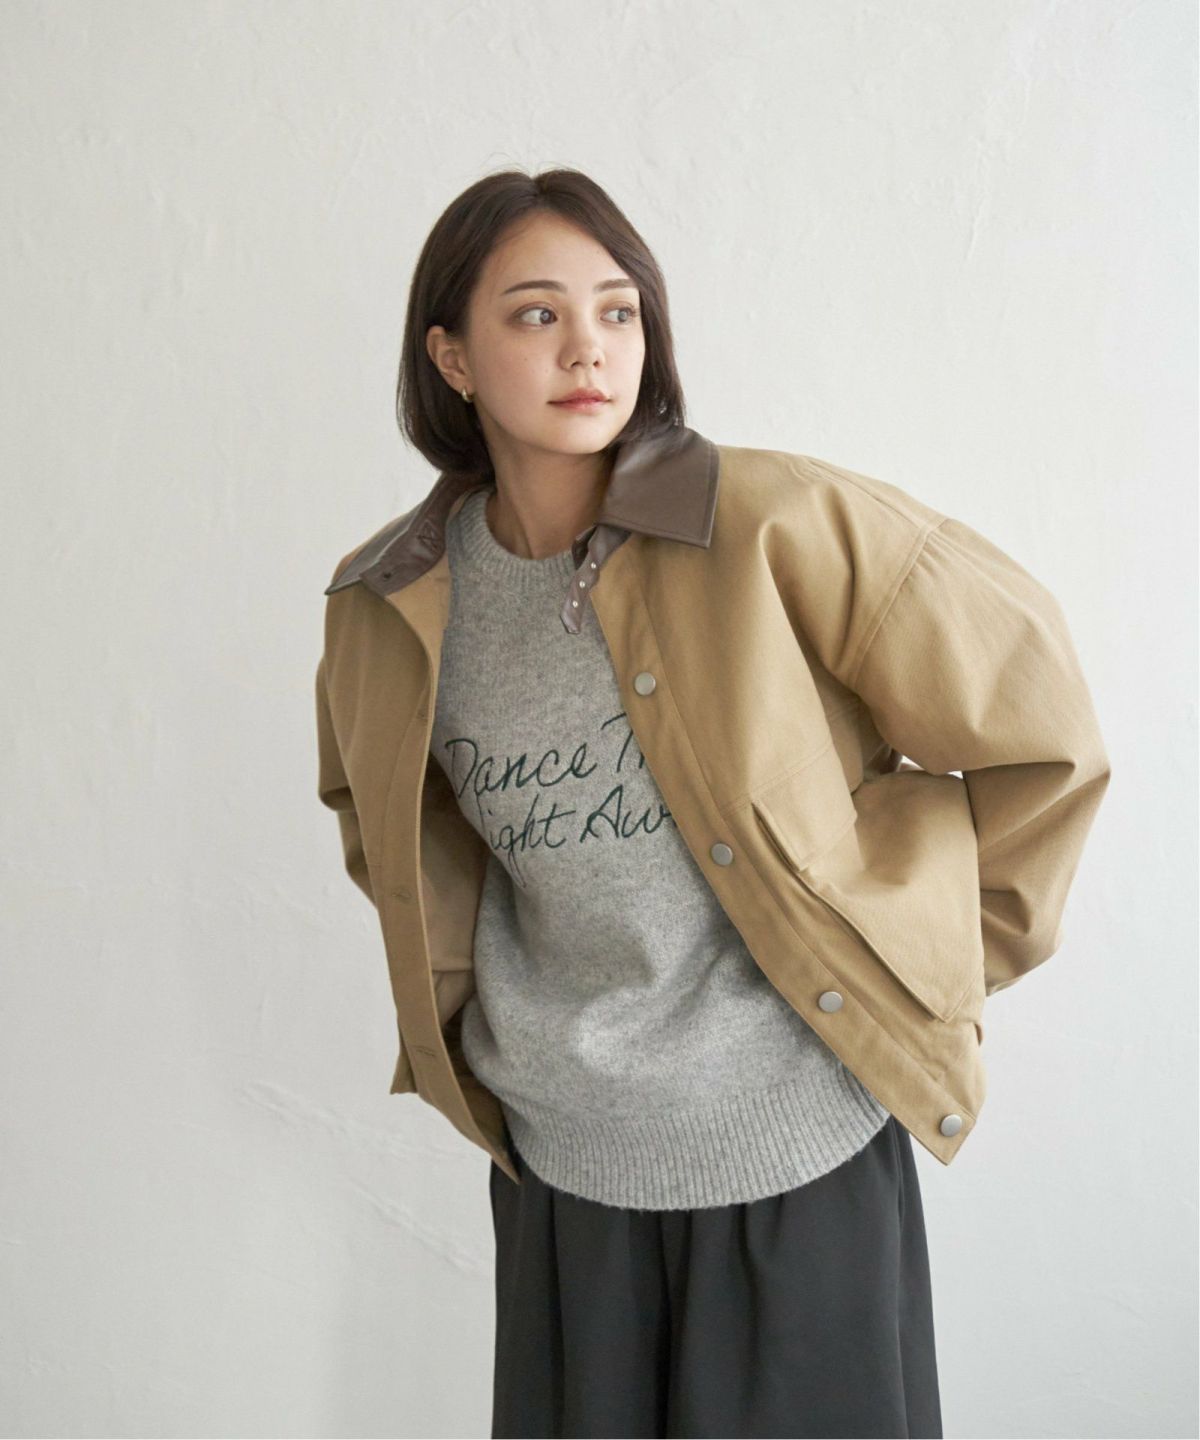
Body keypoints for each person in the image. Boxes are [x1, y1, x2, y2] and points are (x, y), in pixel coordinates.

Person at [315, 167, 1111, 1439]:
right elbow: (389, 832)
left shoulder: (772, 522)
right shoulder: (389, 603)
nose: (589, 348)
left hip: (797, 1164)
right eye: (536, 314)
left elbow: (1039, 729)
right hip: (566, 1179)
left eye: (618, 310)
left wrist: (933, 962)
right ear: (451, 356)